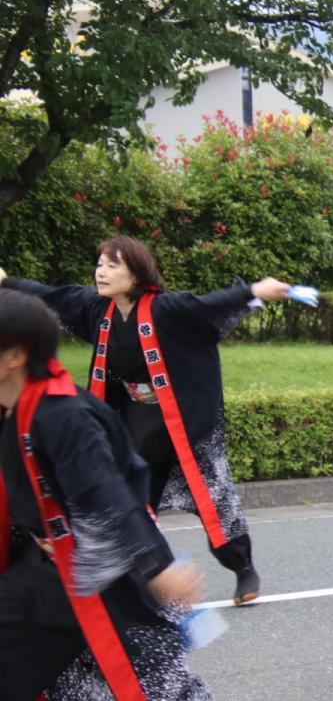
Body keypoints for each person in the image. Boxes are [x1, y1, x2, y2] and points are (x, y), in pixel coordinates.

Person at [0, 290, 282, 701]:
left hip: (106, 586)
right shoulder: (18, 409)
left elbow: (104, 491)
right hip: (43, 586)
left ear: (14, 355)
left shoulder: (63, 415)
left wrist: (155, 565)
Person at [0, 237, 294, 605]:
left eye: (112, 266)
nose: (101, 272)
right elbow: (52, 294)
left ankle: (243, 567)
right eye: (100, 264)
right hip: (138, 425)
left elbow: (209, 305)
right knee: (134, 503)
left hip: (185, 425)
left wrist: (255, 291)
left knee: (214, 499)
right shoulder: (96, 310)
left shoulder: (167, 308)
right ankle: (151, 578)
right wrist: (6, 283)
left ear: (136, 273)